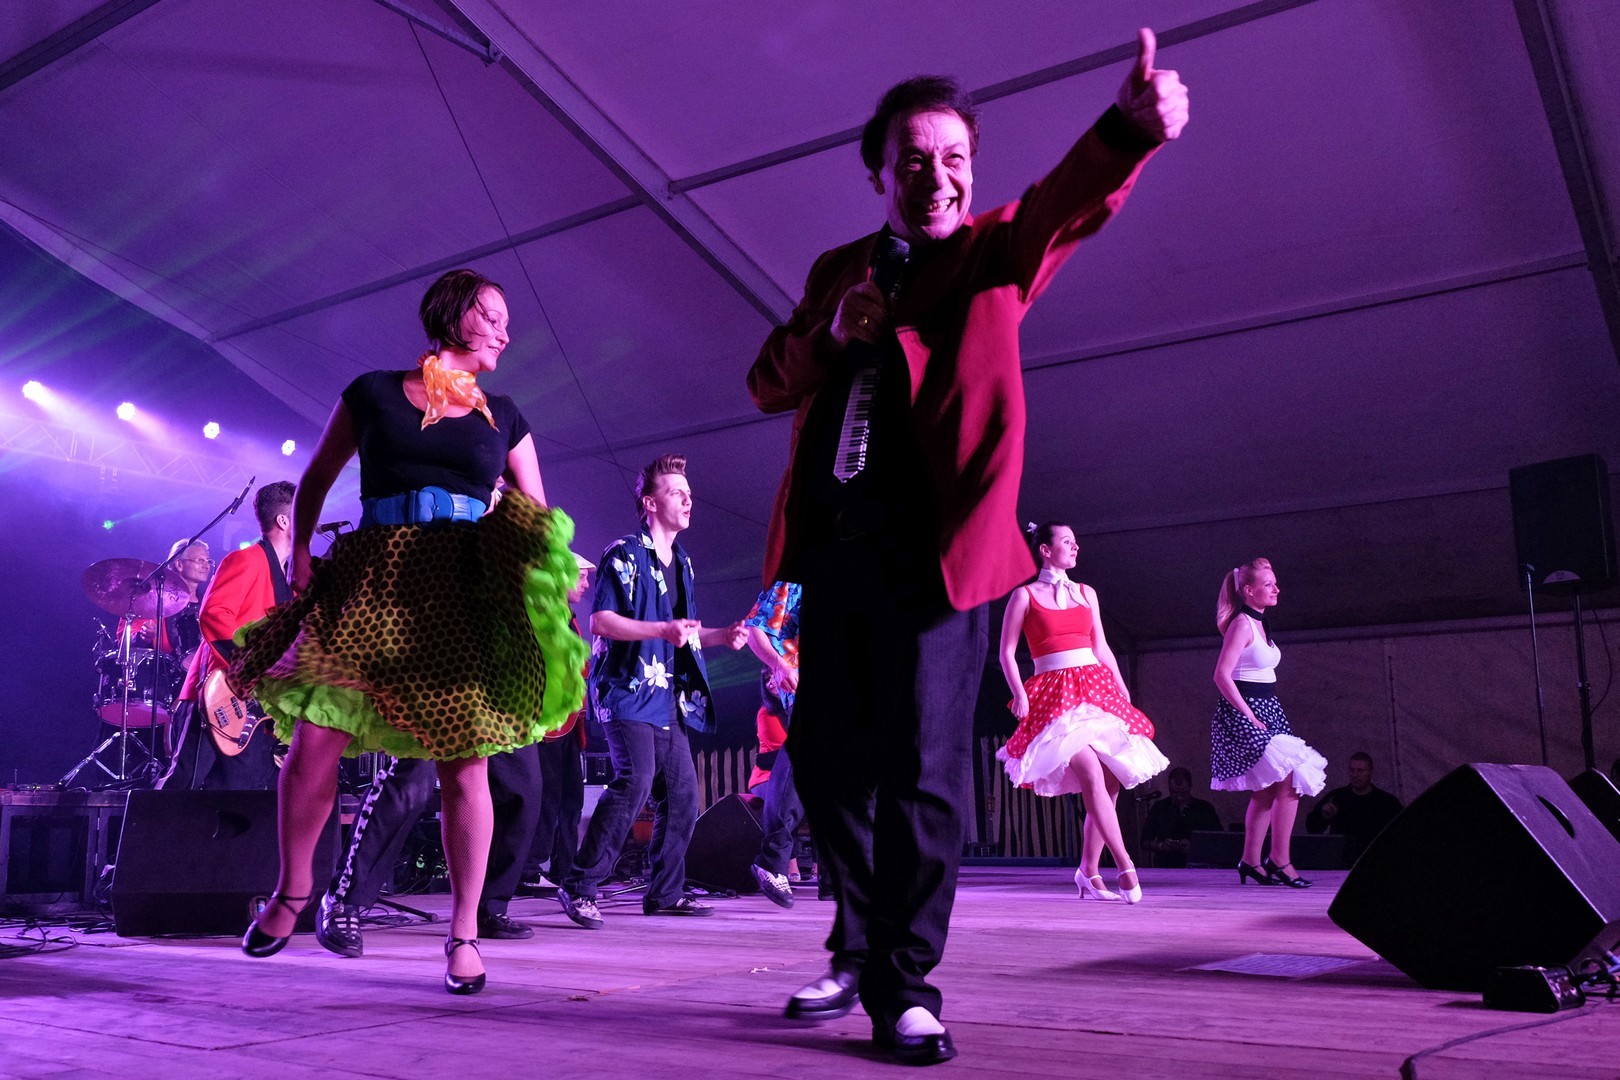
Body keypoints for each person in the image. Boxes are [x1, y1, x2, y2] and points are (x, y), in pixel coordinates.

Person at [746, 31, 1187, 1065]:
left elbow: (1063, 205)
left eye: (955, 159)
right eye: (914, 160)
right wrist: (835, 336)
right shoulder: (837, 270)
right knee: (823, 759)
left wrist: (1128, 131)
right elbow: (767, 380)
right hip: (838, 547)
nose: (937, 176)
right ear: (879, 173)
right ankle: (859, 943)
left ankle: (905, 984)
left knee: (923, 769)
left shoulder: (992, 251)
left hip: (937, 555)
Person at [228, 267, 586, 995]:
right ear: (454, 316)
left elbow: (536, 513)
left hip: (458, 593)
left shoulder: (506, 416)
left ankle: (464, 934)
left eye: (506, 319)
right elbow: (316, 478)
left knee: (466, 761)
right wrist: (299, 552)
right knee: (316, 736)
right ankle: (294, 891)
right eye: (493, 315)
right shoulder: (372, 392)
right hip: (373, 579)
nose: (506, 331)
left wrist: (550, 569)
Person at [557, 454, 748, 928]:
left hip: (667, 695)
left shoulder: (682, 563)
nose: (688, 499)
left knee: (682, 794)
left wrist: (722, 636)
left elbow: (683, 634)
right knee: (636, 779)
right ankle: (579, 884)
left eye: (689, 492)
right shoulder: (623, 552)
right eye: (676, 492)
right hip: (625, 690)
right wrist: (662, 629)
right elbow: (601, 621)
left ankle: (665, 893)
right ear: (649, 502)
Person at [998, 522, 1168, 902]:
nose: (1075, 547)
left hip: (1093, 689)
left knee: (1110, 781)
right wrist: (1018, 693)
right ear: (1045, 549)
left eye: (1076, 542)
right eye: (1067, 542)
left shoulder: (1086, 592)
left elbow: (1100, 646)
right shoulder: (1025, 595)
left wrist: (1121, 685)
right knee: (1091, 771)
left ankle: (1088, 871)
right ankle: (1125, 865)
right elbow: (1006, 652)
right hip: (1054, 695)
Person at [171, 481, 295, 790]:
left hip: (256, 706)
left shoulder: (290, 580)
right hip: (217, 693)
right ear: (283, 520)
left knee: (242, 793)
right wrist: (252, 666)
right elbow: (214, 615)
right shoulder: (246, 559)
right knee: (181, 789)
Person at [1213, 558, 1327, 889]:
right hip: (1244, 711)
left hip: (1269, 708)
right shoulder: (1242, 625)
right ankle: (1279, 859)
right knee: (1290, 777)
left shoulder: (1260, 623)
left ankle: (1250, 861)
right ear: (1249, 590)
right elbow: (1221, 675)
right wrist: (1248, 714)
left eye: (1274, 583)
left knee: (1267, 788)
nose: (1276, 589)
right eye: (1268, 584)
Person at [521, 553, 595, 892]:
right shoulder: (545, 614)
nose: (586, 584)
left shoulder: (568, 615)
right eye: (580, 576)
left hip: (568, 722)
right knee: (546, 796)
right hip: (547, 723)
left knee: (571, 798)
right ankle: (529, 869)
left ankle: (565, 869)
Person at [742, 580, 807, 909]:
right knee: (800, 762)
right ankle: (773, 860)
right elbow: (754, 629)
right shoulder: (794, 579)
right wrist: (779, 665)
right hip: (804, 689)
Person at [1305, 752, 1403, 860]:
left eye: (1360, 770)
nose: (1355, 775)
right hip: (1342, 860)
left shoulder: (1386, 803)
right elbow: (1312, 828)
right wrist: (1323, 817)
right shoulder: (1337, 798)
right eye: (1352, 770)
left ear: (1370, 772)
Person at [1140, 766, 1222, 868]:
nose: (1179, 797)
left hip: (1197, 866)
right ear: (1169, 788)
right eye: (1174, 792)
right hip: (1166, 865)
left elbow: (1218, 839)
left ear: (1190, 787)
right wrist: (1162, 846)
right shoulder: (1160, 807)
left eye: (1183, 792)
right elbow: (1144, 842)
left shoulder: (1204, 808)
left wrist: (1195, 846)